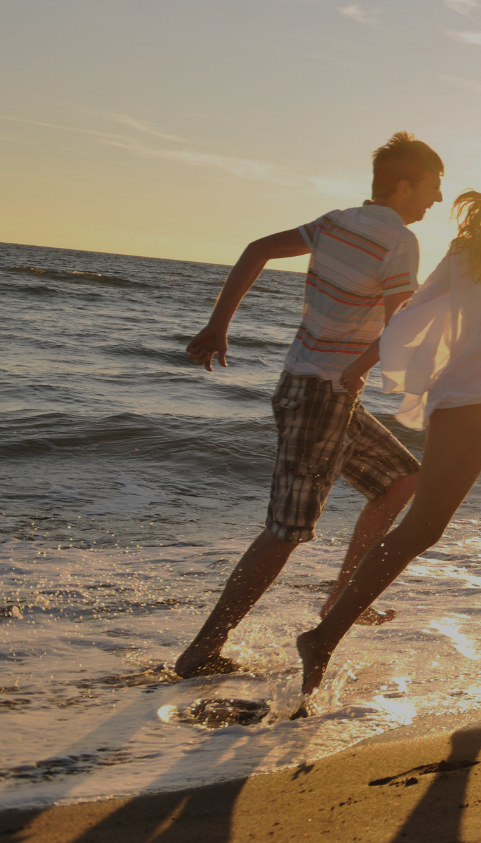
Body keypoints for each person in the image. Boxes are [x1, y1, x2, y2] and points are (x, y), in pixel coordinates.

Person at [294, 169, 481, 709]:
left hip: (469, 397)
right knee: (422, 530)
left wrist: (367, 362)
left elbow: (414, 309)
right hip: (471, 403)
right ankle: (323, 637)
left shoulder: (468, 246)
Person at [174, 133, 443, 679]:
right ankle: (201, 651)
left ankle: (344, 598)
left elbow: (256, 250)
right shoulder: (399, 241)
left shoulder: (335, 221)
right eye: (433, 188)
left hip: (319, 391)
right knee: (287, 530)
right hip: (322, 393)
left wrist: (218, 325)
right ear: (404, 184)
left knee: (401, 482)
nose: (435, 201)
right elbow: (401, 328)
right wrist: (360, 368)